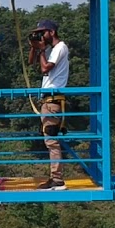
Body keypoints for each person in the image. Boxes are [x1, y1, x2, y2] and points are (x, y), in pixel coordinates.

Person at [28, 18, 69, 190]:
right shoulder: (52, 50)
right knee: (49, 139)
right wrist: (34, 47)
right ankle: (55, 177)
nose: (41, 36)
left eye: (42, 32)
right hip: (48, 100)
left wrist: (42, 51)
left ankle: (57, 179)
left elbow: (45, 68)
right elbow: (31, 63)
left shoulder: (60, 47)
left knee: (51, 140)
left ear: (51, 32)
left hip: (53, 100)